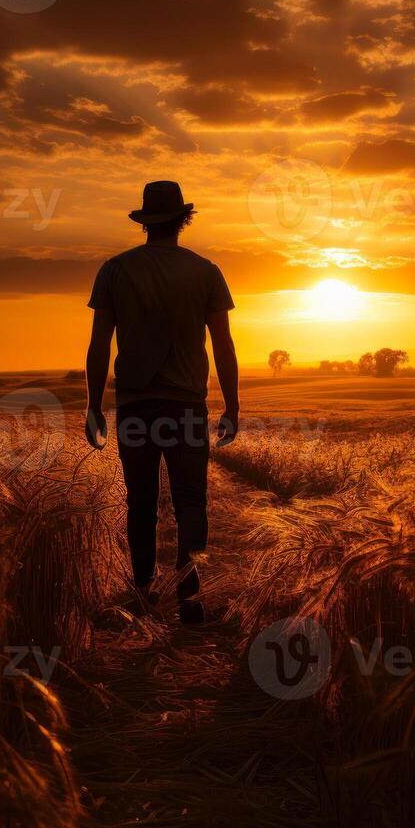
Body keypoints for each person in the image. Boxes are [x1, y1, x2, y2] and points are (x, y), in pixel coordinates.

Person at [83, 181, 240, 624]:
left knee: (141, 502)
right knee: (192, 502)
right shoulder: (205, 271)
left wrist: (94, 405)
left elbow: (99, 344)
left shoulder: (114, 271)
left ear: (144, 222)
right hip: (187, 407)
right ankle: (190, 600)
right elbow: (224, 345)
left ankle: (144, 596)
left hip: (135, 406)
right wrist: (232, 407)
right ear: (182, 220)